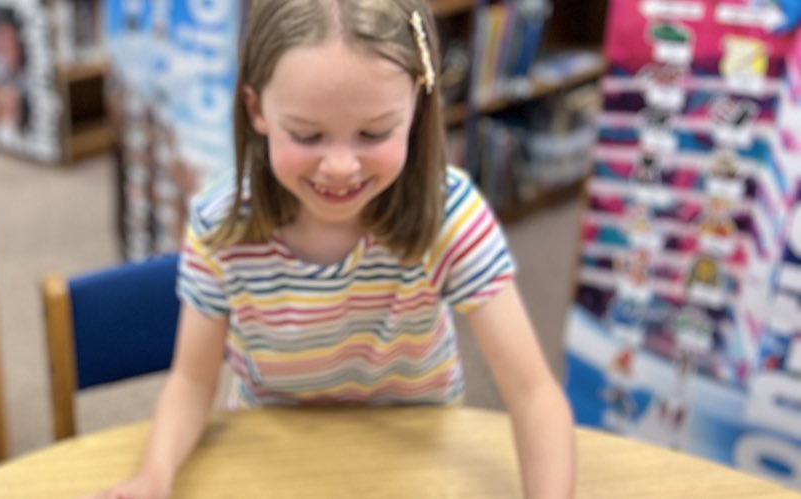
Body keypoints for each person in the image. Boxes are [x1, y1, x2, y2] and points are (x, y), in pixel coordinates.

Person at [93, 0, 574, 497]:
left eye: (374, 133)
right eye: (307, 134)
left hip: (416, 460)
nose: (341, 167)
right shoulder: (223, 225)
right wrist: (154, 475)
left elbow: (533, 392)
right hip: (272, 462)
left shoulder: (449, 215)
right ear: (257, 110)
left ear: (416, 105)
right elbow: (192, 382)